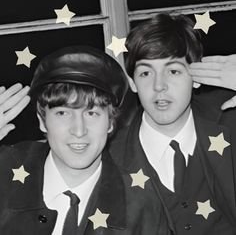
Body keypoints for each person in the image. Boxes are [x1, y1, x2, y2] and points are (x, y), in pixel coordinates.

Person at [0, 46, 168, 235]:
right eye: (62, 113)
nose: (79, 130)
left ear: (111, 122)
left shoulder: (143, 206)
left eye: (92, 113)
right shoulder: (4, 173)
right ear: (42, 121)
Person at [110, 13, 236, 235]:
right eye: (146, 72)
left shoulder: (230, 119)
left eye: (174, 71)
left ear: (196, 76)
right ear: (132, 82)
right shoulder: (110, 156)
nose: (159, 86)